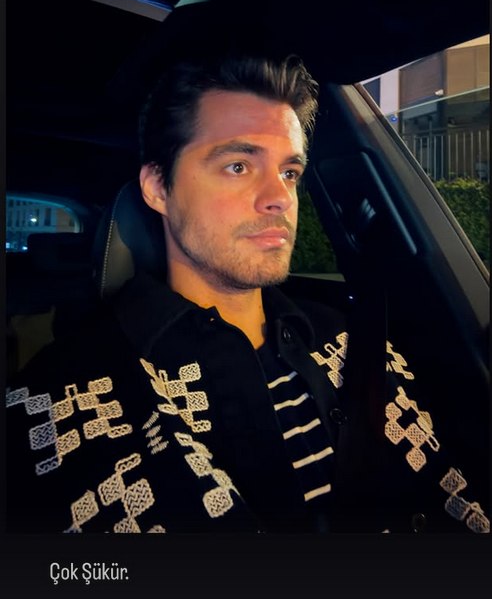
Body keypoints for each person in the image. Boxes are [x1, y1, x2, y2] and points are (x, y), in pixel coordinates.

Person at [5, 55, 489, 533]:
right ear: (157, 188)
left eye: (290, 172)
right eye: (238, 166)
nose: (279, 197)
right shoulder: (64, 396)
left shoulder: (349, 343)